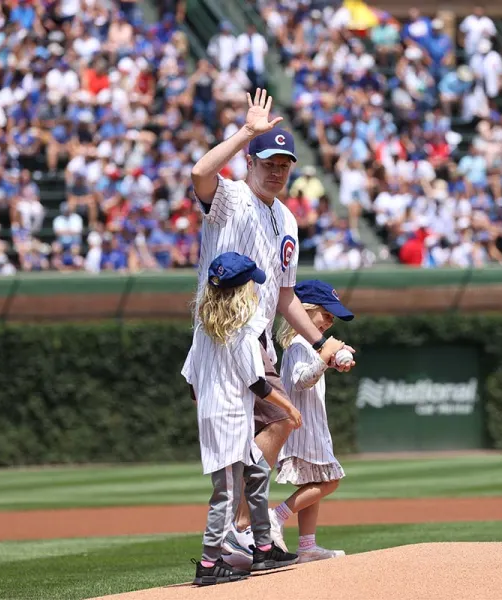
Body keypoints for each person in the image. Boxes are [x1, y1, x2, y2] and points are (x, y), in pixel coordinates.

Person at [185, 88, 356, 561]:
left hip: (257, 338)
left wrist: (325, 342)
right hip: (222, 337)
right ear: (249, 162)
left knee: (269, 428)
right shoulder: (230, 198)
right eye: (268, 161)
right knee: (279, 420)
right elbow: (200, 173)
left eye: (284, 163)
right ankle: (239, 530)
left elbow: (285, 297)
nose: (277, 170)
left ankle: (242, 532)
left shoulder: (287, 220)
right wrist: (246, 132)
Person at [185, 251, 302, 586]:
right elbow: (257, 383)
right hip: (229, 419)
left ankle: (264, 546)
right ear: (241, 290)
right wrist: (290, 409)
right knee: (227, 492)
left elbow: (191, 379)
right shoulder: (244, 330)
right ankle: (209, 564)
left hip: (221, 415)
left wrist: (206, 409)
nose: (255, 289)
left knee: (257, 471)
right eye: (251, 283)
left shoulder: (202, 331)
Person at [271, 279, 354, 563]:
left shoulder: (309, 346)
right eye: (326, 314)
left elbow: (316, 369)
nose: (330, 322)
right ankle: (275, 516)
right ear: (304, 311)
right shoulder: (297, 344)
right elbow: (302, 380)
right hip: (303, 430)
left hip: (312, 428)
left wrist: (335, 361)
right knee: (330, 481)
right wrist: (326, 356)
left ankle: (307, 546)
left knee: (314, 484)